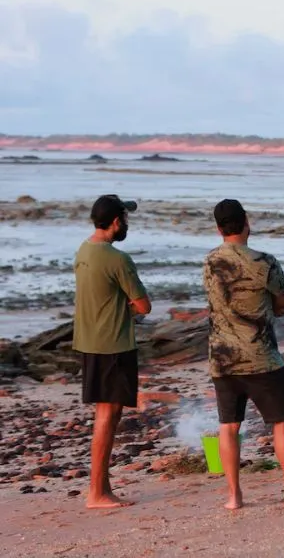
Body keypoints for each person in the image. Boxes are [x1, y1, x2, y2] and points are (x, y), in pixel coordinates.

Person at [203, 199, 284, 510]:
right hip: (260, 355)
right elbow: (283, 301)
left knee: (228, 426)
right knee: (283, 421)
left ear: (219, 229)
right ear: (247, 222)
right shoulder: (264, 261)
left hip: (222, 356)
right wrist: (272, 308)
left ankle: (234, 495)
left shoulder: (210, 261)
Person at [73, 194, 151, 509]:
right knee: (107, 416)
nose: (127, 224)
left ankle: (102, 487)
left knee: (108, 414)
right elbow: (143, 305)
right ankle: (97, 493)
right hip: (113, 345)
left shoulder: (84, 250)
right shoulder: (118, 259)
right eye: (126, 219)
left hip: (90, 342)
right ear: (116, 221)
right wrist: (126, 310)